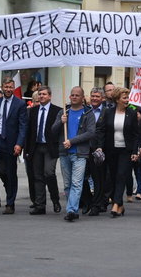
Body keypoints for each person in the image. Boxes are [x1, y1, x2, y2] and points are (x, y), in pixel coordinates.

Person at [0, 76, 28, 215]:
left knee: (10, 173)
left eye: (10, 87)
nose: (8, 89)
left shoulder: (20, 104)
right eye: (6, 87)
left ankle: (10, 203)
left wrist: (19, 144)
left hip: (10, 142)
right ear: (2, 88)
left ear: (13, 88)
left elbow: (23, 126)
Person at [95, 86, 141, 218]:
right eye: (124, 97)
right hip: (110, 149)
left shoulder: (131, 113)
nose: (127, 100)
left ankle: (115, 203)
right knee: (113, 176)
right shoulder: (108, 112)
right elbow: (101, 130)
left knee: (121, 175)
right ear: (117, 99)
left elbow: (135, 134)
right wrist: (100, 146)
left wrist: (134, 151)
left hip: (125, 150)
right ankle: (120, 205)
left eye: (127, 97)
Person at [53, 86, 95, 222]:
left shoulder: (88, 113)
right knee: (67, 184)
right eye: (72, 95)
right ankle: (73, 208)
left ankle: (72, 210)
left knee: (76, 183)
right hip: (64, 153)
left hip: (79, 154)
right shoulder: (63, 112)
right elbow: (53, 131)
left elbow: (90, 133)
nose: (74, 97)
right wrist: (61, 122)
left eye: (77, 95)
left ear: (82, 98)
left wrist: (72, 141)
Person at [25, 86, 63, 215]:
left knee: (49, 173)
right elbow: (29, 131)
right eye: (40, 94)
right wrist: (27, 150)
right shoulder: (33, 111)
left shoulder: (57, 111)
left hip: (50, 147)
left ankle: (55, 200)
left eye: (44, 94)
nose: (41, 96)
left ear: (50, 96)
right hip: (36, 147)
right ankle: (40, 205)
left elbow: (59, 131)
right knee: (38, 176)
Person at [84, 88, 107, 215]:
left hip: (99, 150)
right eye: (93, 96)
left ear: (102, 98)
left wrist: (101, 147)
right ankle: (87, 200)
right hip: (84, 148)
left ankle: (96, 205)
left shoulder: (106, 112)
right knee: (82, 176)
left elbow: (106, 132)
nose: (94, 98)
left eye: (97, 96)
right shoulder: (85, 111)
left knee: (98, 178)